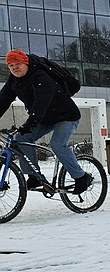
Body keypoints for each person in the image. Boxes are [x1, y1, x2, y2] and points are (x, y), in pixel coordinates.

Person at [0, 50, 91, 194]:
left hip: (66, 116)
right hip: (44, 119)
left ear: (26, 62)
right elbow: (3, 100)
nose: (15, 68)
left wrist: (32, 121)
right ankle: (34, 176)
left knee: (57, 144)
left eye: (18, 64)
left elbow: (42, 102)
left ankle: (81, 177)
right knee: (22, 138)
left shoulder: (40, 76)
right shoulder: (14, 81)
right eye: (11, 66)